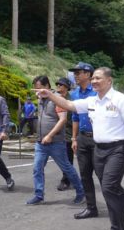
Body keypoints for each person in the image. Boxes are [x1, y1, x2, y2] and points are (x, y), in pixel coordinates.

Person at [34, 67, 124, 230]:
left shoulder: (122, 100)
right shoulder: (92, 101)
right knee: (110, 188)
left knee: (109, 187)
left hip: (119, 149)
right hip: (99, 149)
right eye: (93, 78)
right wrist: (50, 94)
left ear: (109, 81)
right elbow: (69, 105)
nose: (94, 81)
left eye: (98, 78)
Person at [26, 76, 85, 205]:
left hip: (56, 142)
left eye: (40, 87)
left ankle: (81, 192)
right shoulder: (40, 99)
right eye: (36, 88)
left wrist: (50, 135)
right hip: (41, 142)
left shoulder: (57, 99)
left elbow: (63, 119)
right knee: (37, 168)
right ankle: (39, 194)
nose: (38, 90)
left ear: (47, 86)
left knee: (67, 168)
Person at [68, 62, 99, 219]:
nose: (75, 75)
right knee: (85, 174)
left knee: (103, 176)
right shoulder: (74, 94)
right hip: (82, 137)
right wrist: (74, 138)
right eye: (75, 73)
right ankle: (91, 207)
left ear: (88, 74)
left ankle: (121, 198)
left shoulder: (98, 91)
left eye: (79, 72)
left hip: (99, 138)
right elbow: (75, 117)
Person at [54, 77, 75, 191]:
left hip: (68, 133)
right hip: (58, 133)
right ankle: (70, 178)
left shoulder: (70, 100)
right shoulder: (56, 98)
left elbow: (72, 118)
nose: (58, 87)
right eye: (57, 85)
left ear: (66, 87)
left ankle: (66, 180)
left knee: (67, 158)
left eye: (60, 85)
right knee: (62, 158)